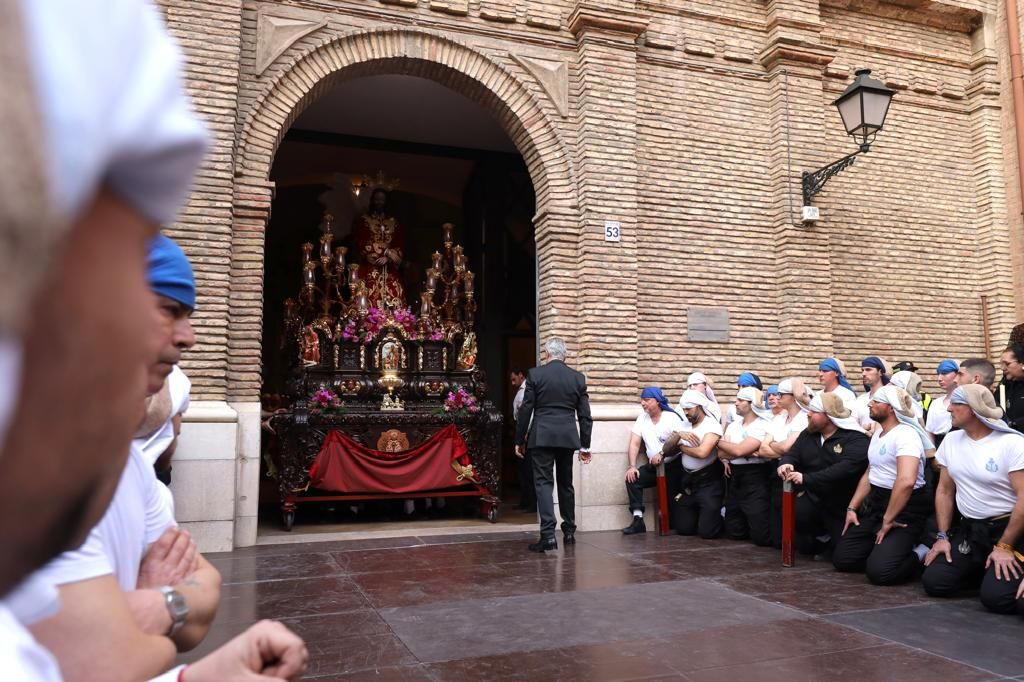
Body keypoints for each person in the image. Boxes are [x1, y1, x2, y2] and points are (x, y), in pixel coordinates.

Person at [0, 1, 307, 678]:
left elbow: (186, 614)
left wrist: (190, 663)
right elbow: (118, 656)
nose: (183, 340)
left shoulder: (126, 467)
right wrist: (155, 616)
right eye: (128, 260)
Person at [30, 236, 222, 679]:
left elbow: (208, 592)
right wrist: (159, 624)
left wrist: (158, 603)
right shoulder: (33, 471)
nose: (188, 337)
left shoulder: (130, 465)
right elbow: (109, 663)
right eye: (169, 310)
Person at [921, 384, 1024, 613]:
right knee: (936, 582)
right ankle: (982, 569)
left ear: (974, 409)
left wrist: (1005, 546)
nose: (949, 409)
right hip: (971, 531)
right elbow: (945, 491)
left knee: (997, 600)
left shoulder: (1012, 443)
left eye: (957, 404)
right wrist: (942, 536)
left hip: (1010, 531)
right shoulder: (951, 441)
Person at [833, 386, 934, 584]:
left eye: (876, 401)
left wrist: (889, 518)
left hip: (904, 509)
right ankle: (884, 548)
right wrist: (852, 507)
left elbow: (906, 481)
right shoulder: (879, 434)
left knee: (881, 573)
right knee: (843, 559)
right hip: (877, 506)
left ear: (891, 408)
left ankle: (922, 550)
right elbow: (871, 473)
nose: (870, 403)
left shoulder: (906, 434)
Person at [514, 338, 593, 552]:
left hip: (542, 437)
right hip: (567, 437)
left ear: (547, 354)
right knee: (566, 483)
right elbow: (585, 416)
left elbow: (526, 410)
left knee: (543, 484)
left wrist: (519, 440)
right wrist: (585, 445)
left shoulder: (536, 375)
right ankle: (569, 531)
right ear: (565, 355)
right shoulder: (577, 378)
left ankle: (548, 535)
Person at [778, 392, 868, 558]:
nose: (809, 414)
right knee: (798, 534)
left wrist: (807, 478)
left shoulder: (856, 439)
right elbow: (793, 453)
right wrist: (785, 463)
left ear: (829, 416)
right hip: (812, 496)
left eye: (814, 411)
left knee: (845, 555)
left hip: (841, 502)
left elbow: (844, 469)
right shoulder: (808, 434)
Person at [621, 387, 687, 535]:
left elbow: (680, 444)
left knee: (673, 505)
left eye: (647, 400)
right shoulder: (642, 418)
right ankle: (638, 520)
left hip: (673, 466)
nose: (643, 403)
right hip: (654, 467)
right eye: (642, 400)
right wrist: (632, 466)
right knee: (633, 479)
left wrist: (663, 454)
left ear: (657, 401)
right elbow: (634, 443)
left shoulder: (672, 418)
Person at [718, 387, 773, 546]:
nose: (736, 403)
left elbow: (737, 449)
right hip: (735, 476)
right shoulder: (734, 425)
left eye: (741, 400)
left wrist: (717, 442)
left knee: (761, 536)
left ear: (751, 404)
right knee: (734, 531)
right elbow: (722, 455)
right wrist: (744, 451)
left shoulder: (762, 425)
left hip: (755, 477)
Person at [760, 378, 811, 547]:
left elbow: (788, 448)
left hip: (796, 469)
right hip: (776, 469)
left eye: (781, 394)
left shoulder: (804, 418)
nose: (778, 397)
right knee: (776, 509)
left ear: (792, 397)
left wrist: (774, 446)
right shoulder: (779, 419)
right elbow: (762, 449)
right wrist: (779, 447)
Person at [674, 389, 725, 539]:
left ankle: (720, 514)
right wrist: (678, 435)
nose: (686, 412)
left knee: (707, 532)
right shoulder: (683, 425)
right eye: (683, 409)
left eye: (689, 409)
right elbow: (666, 450)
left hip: (708, 482)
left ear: (699, 407)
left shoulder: (712, 425)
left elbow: (703, 453)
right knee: (683, 529)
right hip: (688, 482)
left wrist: (681, 446)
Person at [353, 188, 405, 309]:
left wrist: (391, 257)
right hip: (370, 267)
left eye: (382, 200)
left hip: (389, 267)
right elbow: (362, 242)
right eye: (377, 199)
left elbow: (400, 243)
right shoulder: (364, 221)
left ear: (386, 202)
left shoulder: (394, 223)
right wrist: (386, 252)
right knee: (367, 295)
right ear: (372, 201)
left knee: (396, 292)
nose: (379, 202)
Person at [510, 367, 535, 513]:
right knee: (522, 470)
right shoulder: (520, 390)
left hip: (525, 432)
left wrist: (524, 436)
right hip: (520, 429)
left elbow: (528, 413)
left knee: (528, 470)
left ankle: (531, 503)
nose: (513, 383)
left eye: (514, 379)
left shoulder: (527, 389)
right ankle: (524, 501)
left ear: (521, 375)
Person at [926, 360, 960, 448]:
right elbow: (930, 431)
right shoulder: (935, 403)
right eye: (938, 374)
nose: (939, 378)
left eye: (945, 373)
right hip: (939, 445)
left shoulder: (967, 401)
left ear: (957, 374)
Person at [853, 356, 890, 432]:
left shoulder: (890, 396)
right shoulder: (861, 399)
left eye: (868, 370)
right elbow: (853, 423)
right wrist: (863, 429)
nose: (864, 373)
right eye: (862, 370)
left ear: (880, 372)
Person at [998, 343, 1024, 433]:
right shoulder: (1005, 384)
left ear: (1022, 363)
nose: (1003, 368)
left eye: (1007, 364)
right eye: (1001, 364)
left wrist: (1013, 424)